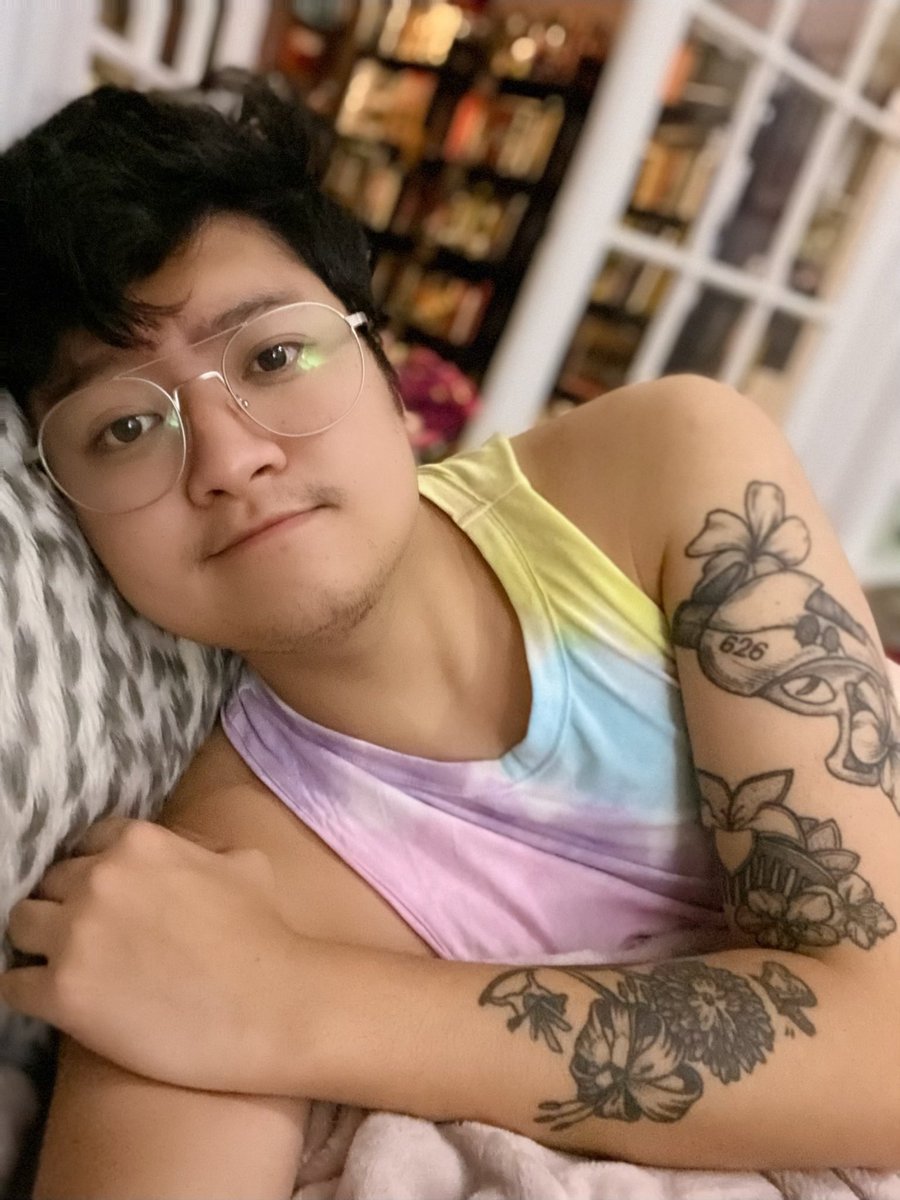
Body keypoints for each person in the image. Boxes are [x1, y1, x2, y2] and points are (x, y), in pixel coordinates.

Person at [1, 78, 898, 1199]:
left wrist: (293, 1003)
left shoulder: (663, 473)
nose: (229, 457)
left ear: (388, 369)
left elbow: (886, 1048)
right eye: (126, 425)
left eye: (273, 357)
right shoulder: (225, 868)